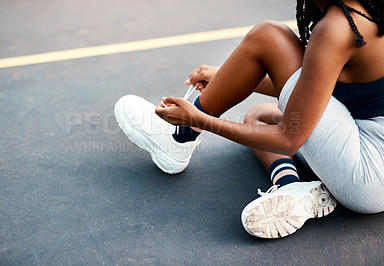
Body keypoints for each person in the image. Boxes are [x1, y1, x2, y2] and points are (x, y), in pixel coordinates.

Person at [115, 0, 384, 238]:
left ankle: (178, 139)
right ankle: (291, 188)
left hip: (366, 172)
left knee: (269, 36)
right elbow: (319, 85)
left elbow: (288, 138)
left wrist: (197, 118)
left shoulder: (338, 27)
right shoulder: (367, 9)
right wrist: (227, 76)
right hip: (367, 139)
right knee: (257, 116)